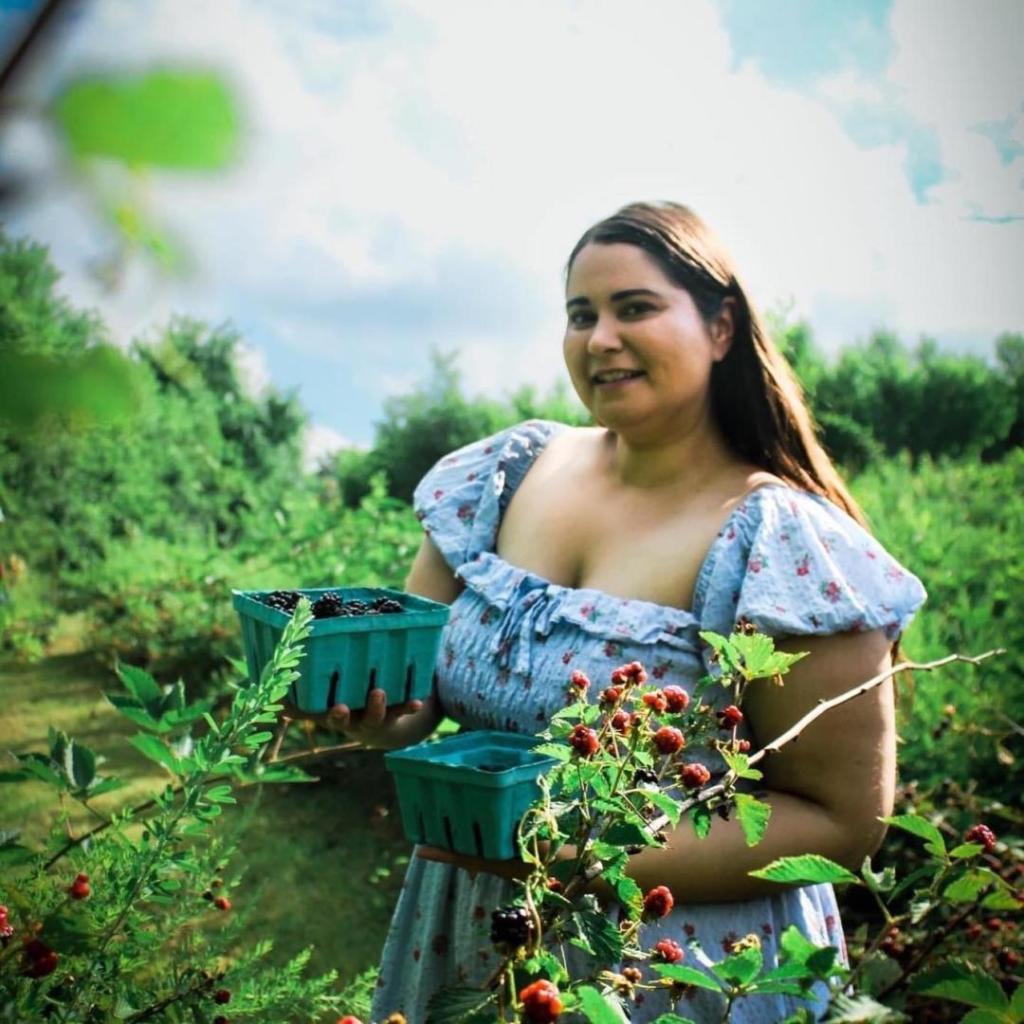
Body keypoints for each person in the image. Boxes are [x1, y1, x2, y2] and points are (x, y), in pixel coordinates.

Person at [292, 202, 927, 1022]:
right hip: (469, 934)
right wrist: (372, 707)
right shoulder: (503, 476)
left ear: (722, 327)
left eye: (635, 308)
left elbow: (842, 822)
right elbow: (418, 695)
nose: (600, 339)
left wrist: (578, 857)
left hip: (675, 966)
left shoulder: (783, 545)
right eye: (579, 315)